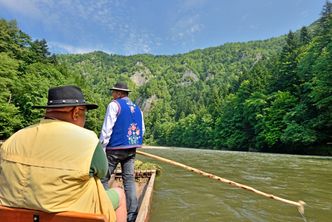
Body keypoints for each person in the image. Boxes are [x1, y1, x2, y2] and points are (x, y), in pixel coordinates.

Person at [0, 85, 127, 222]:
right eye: (85, 113)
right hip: (74, 216)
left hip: (14, 217)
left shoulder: (14, 139)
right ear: (76, 112)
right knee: (119, 193)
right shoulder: (88, 140)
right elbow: (102, 172)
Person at [100, 82, 145, 222]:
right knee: (129, 180)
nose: (112, 94)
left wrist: (102, 148)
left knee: (102, 178)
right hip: (131, 149)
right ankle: (132, 215)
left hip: (114, 149)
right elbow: (142, 130)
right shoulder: (138, 108)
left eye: (113, 92)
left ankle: (107, 208)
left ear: (119, 93)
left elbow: (107, 129)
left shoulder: (114, 105)